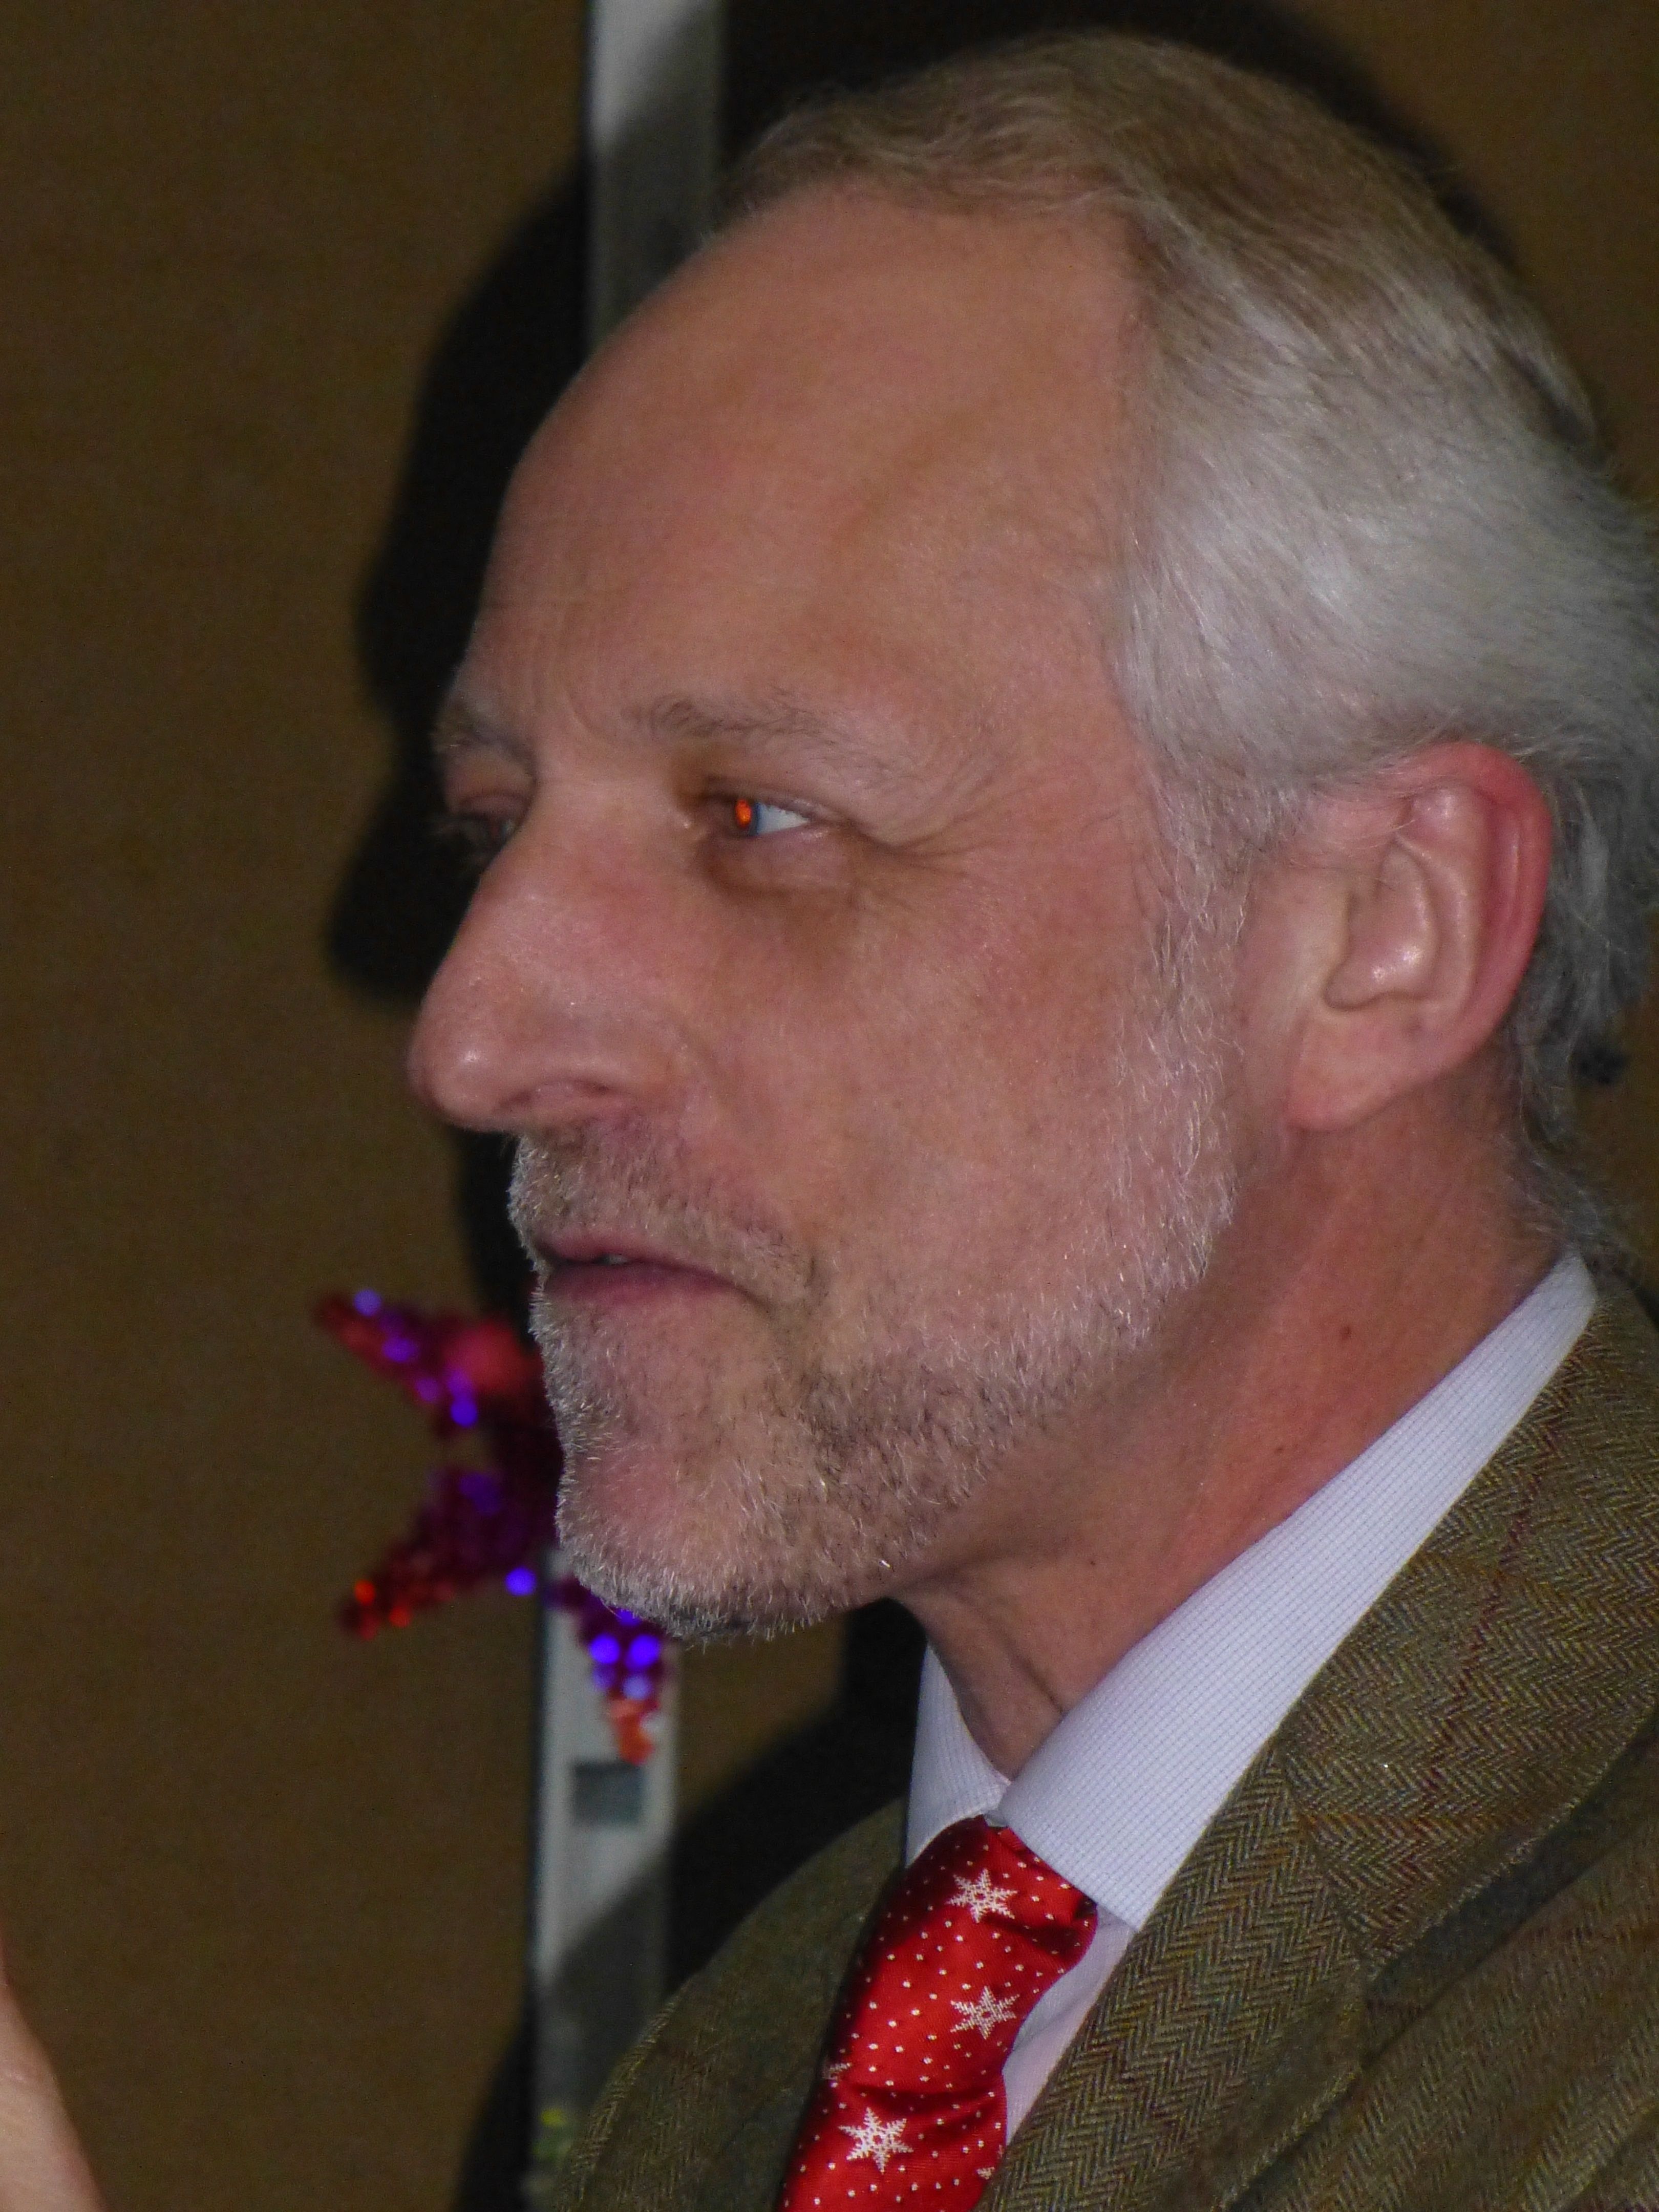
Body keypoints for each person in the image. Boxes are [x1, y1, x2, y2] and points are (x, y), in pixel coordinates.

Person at [4, 28, 1658, 2212]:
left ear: (1385, 929)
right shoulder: (759, 2064)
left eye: (756, 819)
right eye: (493, 824)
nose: (472, 1041)